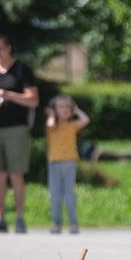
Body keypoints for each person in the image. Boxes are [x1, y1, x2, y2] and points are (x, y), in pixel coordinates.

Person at [0, 33, 38, 233]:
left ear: (8, 48)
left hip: (16, 129)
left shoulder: (22, 70)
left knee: (16, 175)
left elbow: (33, 100)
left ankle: (20, 219)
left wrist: (8, 94)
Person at [44, 94, 90, 235]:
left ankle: (73, 222)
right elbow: (51, 123)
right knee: (55, 194)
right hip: (54, 163)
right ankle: (56, 223)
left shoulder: (72, 125)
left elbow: (86, 120)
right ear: (54, 109)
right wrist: (52, 114)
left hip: (69, 162)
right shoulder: (52, 125)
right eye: (60, 107)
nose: (64, 109)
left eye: (67, 107)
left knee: (69, 194)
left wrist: (76, 111)